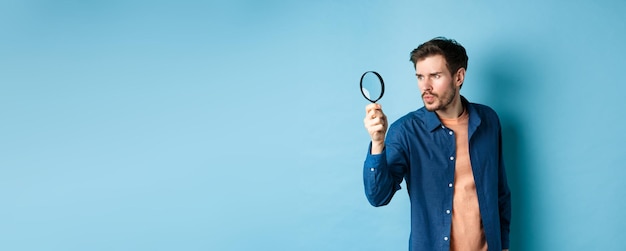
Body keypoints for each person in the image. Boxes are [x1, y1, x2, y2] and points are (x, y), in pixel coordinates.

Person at [362, 37, 511, 251]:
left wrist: (504, 245)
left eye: (435, 76)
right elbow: (378, 196)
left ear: (458, 76)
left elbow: (500, 192)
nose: (426, 86)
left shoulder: (488, 120)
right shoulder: (405, 131)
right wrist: (377, 143)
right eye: (420, 77)